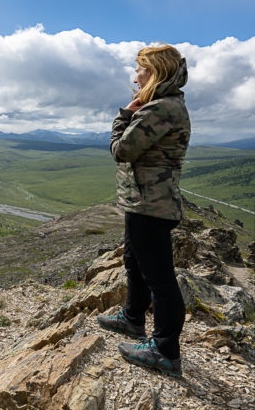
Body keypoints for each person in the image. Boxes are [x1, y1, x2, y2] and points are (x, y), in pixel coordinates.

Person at [97, 44, 190, 378]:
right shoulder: (161, 105)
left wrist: (123, 115)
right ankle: (133, 318)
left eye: (139, 69)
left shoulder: (161, 108)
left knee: (160, 277)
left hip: (151, 204)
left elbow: (122, 150)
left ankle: (165, 350)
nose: (134, 76)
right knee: (134, 262)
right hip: (142, 200)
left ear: (155, 72)